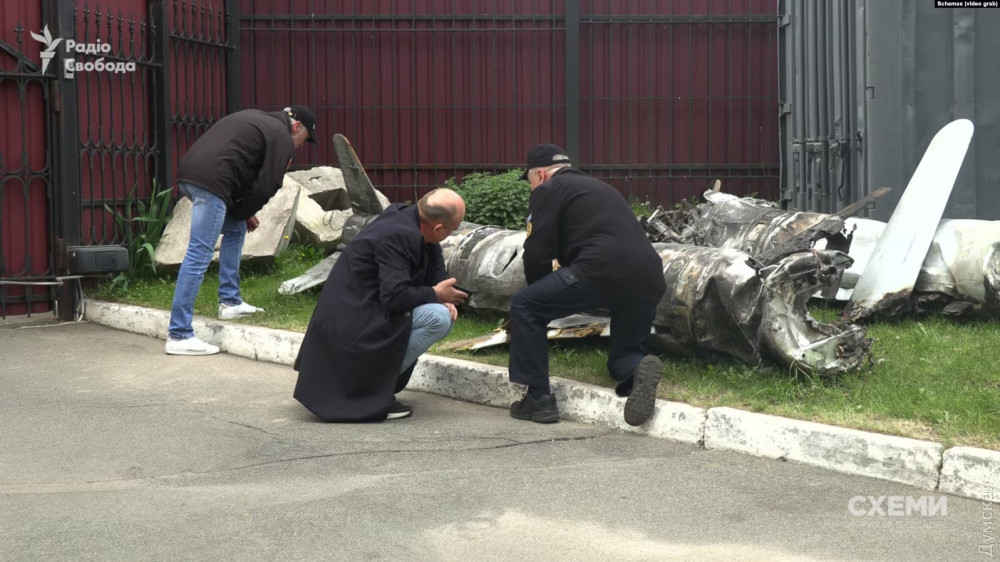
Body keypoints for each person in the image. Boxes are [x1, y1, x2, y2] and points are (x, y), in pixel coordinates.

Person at [508, 143, 667, 426]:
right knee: (624, 355)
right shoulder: (600, 188)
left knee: (525, 305)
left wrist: (537, 294)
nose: (531, 187)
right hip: (648, 275)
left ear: (541, 174)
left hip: (599, 268)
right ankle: (635, 368)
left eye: (530, 180)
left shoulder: (548, 189)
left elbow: (537, 253)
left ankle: (538, 399)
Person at [293, 188, 469, 422]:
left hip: (362, 312)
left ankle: (374, 386)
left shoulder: (408, 217)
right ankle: (367, 390)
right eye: (451, 230)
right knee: (437, 318)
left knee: (440, 313)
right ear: (438, 228)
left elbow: (432, 252)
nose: (449, 235)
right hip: (352, 325)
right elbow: (395, 298)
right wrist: (435, 295)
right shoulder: (398, 235)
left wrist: (441, 292)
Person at [164, 105, 317, 356]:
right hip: (212, 184)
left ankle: (230, 302)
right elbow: (268, 184)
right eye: (304, 139)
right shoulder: (281, 136)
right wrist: (245, 210)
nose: (301, 146)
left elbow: (237, 163)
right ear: (297, 126)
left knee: (235, 230)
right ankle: (179, 334)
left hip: (192, 176)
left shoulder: (257, 118)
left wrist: (242, 214)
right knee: (199, 253)